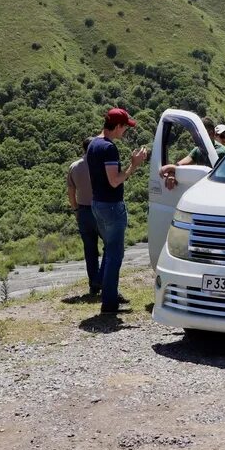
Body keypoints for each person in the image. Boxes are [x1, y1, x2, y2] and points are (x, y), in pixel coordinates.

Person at [86, 107, 149, 316]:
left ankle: (100, 283)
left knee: (110, 248)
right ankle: (109, 302)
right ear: (118, 126)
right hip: (112, 206)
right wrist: (134, 165)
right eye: (125, 128)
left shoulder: (93, 144)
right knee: (115, 253)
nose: (125, 132)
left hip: (97, 204)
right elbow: (114, 181)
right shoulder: (109, 148)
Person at [67, 136, 101, 299]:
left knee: (90, 249)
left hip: (84, 211)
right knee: (111, 245)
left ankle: (94, 284)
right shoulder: (100, 164)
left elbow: (71, 192)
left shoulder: (74, 167)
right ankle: (104, 279)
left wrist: (75, 210)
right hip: (101, 209)